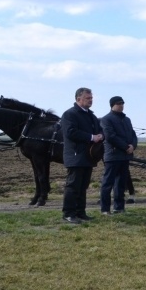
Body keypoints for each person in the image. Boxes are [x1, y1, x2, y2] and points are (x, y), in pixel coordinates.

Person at [61, 87, 104, 224]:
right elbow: (70, 132)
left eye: (91, 98)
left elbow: (100, 130)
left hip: (88, 156)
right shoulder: (70, 114)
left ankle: (80, 212)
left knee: (83, 186)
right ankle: (68, 213)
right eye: (88, 98)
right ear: (78, 99)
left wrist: (101, 135)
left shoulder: (91, 116)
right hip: (75, 156)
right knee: (73, 186)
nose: (91, 100)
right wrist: (92, 137)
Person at [99, 96, 138, 215]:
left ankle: (119, 207)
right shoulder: (106, 119)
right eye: (118, 103)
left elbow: (133, 135)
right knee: (108, 183)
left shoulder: (127, 119)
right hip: (113, 155)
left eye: (122, 103)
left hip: (125, 157)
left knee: (121, 183)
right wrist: (126, 147)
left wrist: (133, 146)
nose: (121, 105)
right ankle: (105, 209)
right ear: (112, 105)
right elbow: (110, 136)